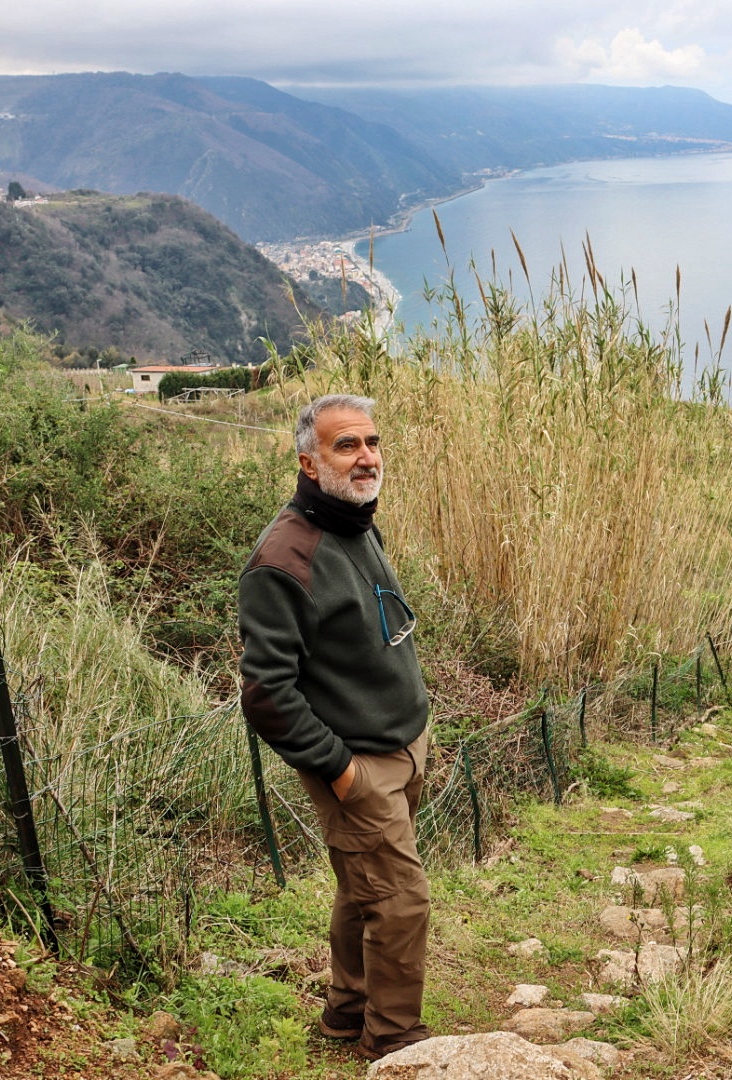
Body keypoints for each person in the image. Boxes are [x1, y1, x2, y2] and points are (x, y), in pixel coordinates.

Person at [238, 393, 431, 1062]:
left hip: (402, 746)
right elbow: (266, 694)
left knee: (363, 889)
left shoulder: (355, 519)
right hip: (356, 763)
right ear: (308, 463)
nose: (367, 456)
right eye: (346, 445)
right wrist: (342, 771)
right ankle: (395, 1042)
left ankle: (348, 1013)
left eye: (372, 442)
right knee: (401, 902)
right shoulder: (284, 559)